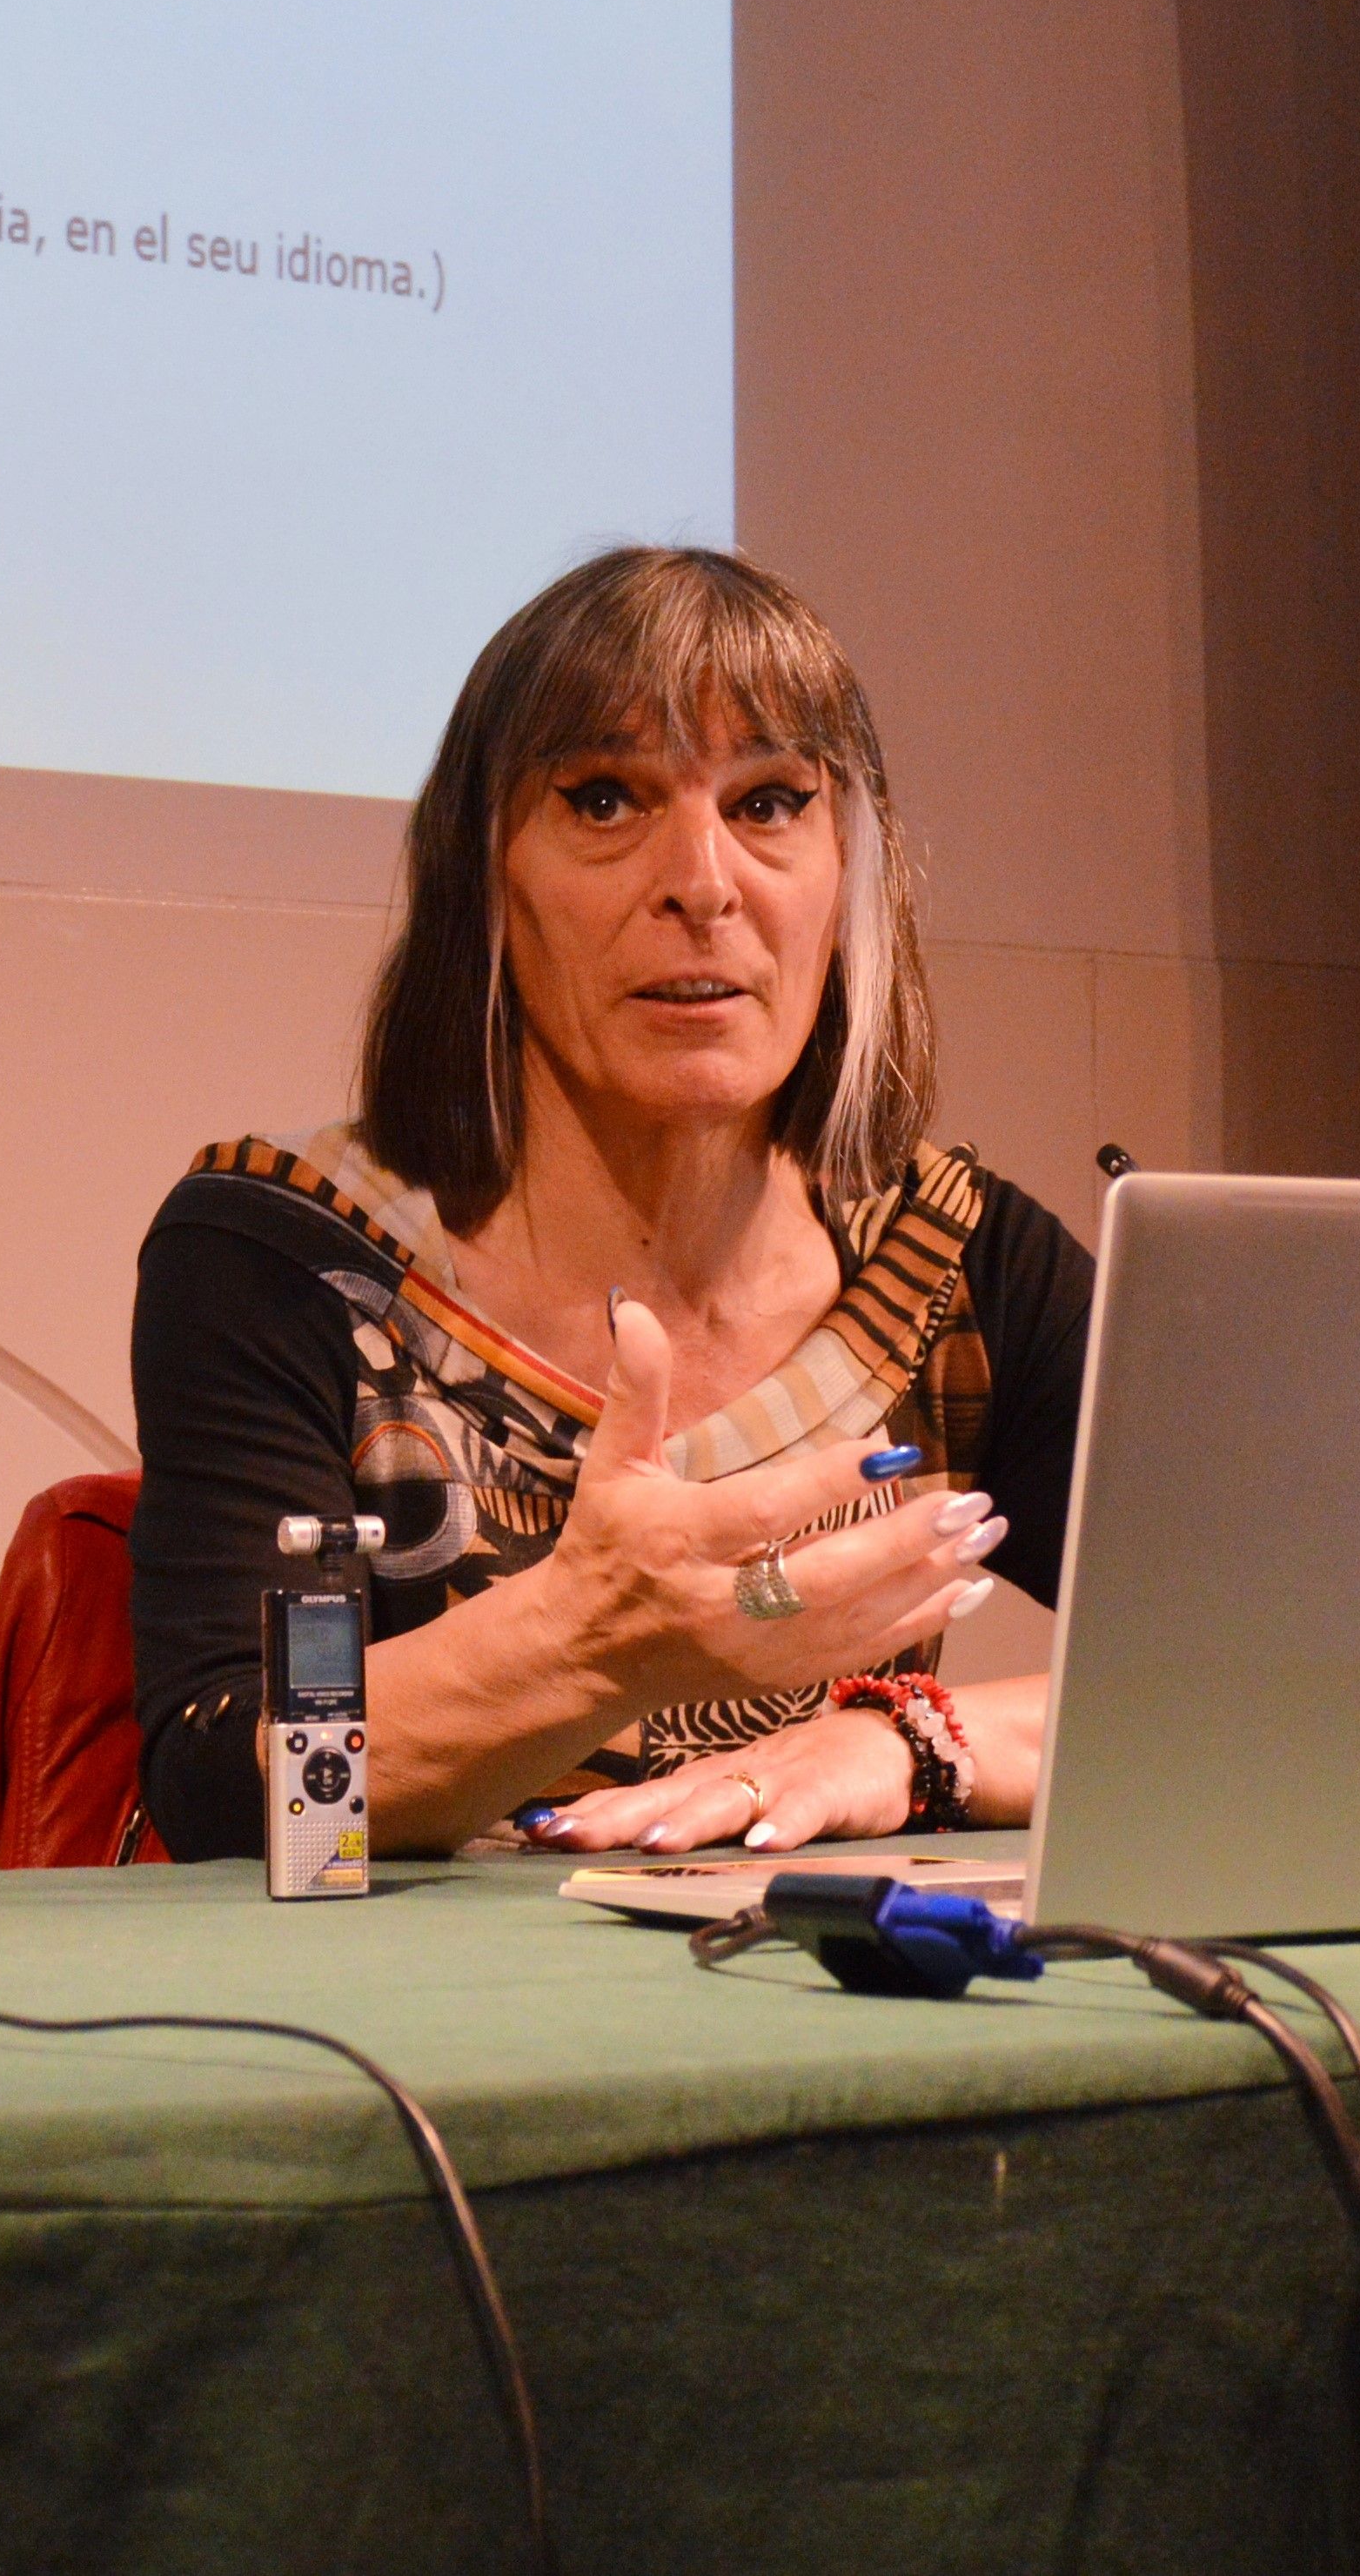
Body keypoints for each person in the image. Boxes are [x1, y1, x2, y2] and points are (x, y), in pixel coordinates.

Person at [130, 547, 1090, 1861]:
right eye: (603, 799)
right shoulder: (282, 1252)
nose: (702, 881)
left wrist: (906, 1740)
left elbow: (1280, 1664)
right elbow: (224, 1795)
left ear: (846, 878)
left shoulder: (955, 1260)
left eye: (768, 803)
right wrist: (592, 1641)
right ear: (486, 887)